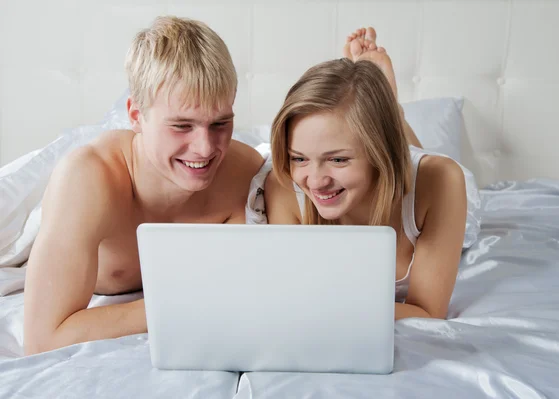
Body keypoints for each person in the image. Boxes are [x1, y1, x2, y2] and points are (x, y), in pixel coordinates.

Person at [23, 16, 264, 355]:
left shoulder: (246, 173)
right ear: (136, 116)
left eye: (220, 123)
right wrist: (177, 305)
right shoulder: (88, 180)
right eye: (181, 126)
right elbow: (42, 339)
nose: (206, 148)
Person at [264, 28, 474, 320]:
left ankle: (392, 111)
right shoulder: (285, 185)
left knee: (416, 163)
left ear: (378, 152)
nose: (315, 181)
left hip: (413, 179)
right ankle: (387, 108)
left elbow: (428, 312)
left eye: (337, 159)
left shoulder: (442, 181)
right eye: (299, 158)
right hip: (385, 158)